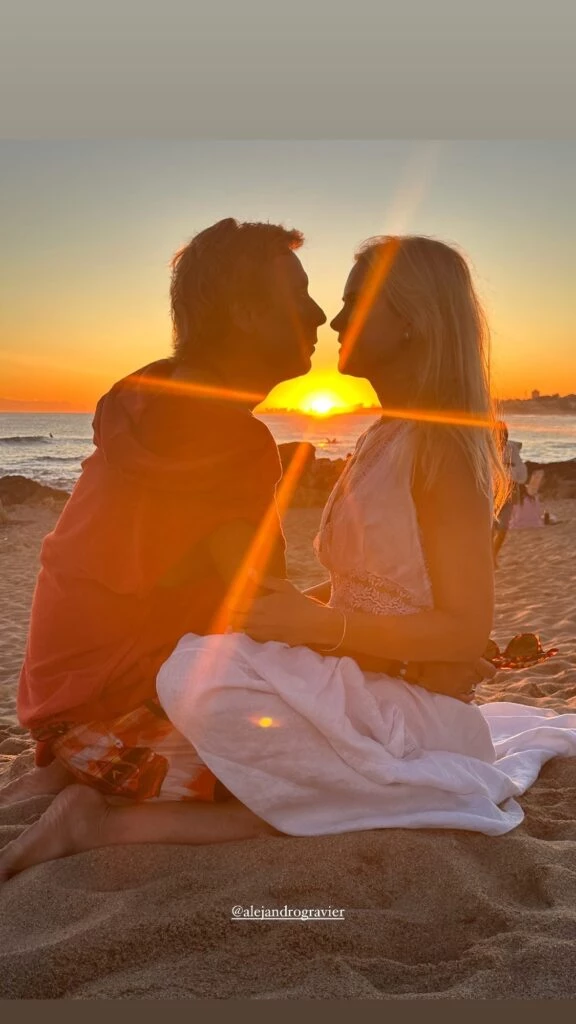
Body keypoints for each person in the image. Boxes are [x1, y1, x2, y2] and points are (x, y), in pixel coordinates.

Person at [0, 225, 493, 880]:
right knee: (301, 794)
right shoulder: (224, 439)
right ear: (243, 312)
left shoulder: (157, 398)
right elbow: (265, 614)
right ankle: (100, 813)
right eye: (302, 296)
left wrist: (407, 643)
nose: (325, 316)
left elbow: (274, 614)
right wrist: (399, 648)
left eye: (347, 302)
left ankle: (67, 776)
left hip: (72, 700)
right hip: (123, 709)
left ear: (415, 323)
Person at [492, 421, 528, 562]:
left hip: (509, 493)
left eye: (503, 435)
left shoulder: (511, 449)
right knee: (490, 527)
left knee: (503, 528)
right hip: (493, 493)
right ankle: (490, 557)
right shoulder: (490, 450)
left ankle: (493, 554)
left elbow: (521, 472)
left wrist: (508, 471)